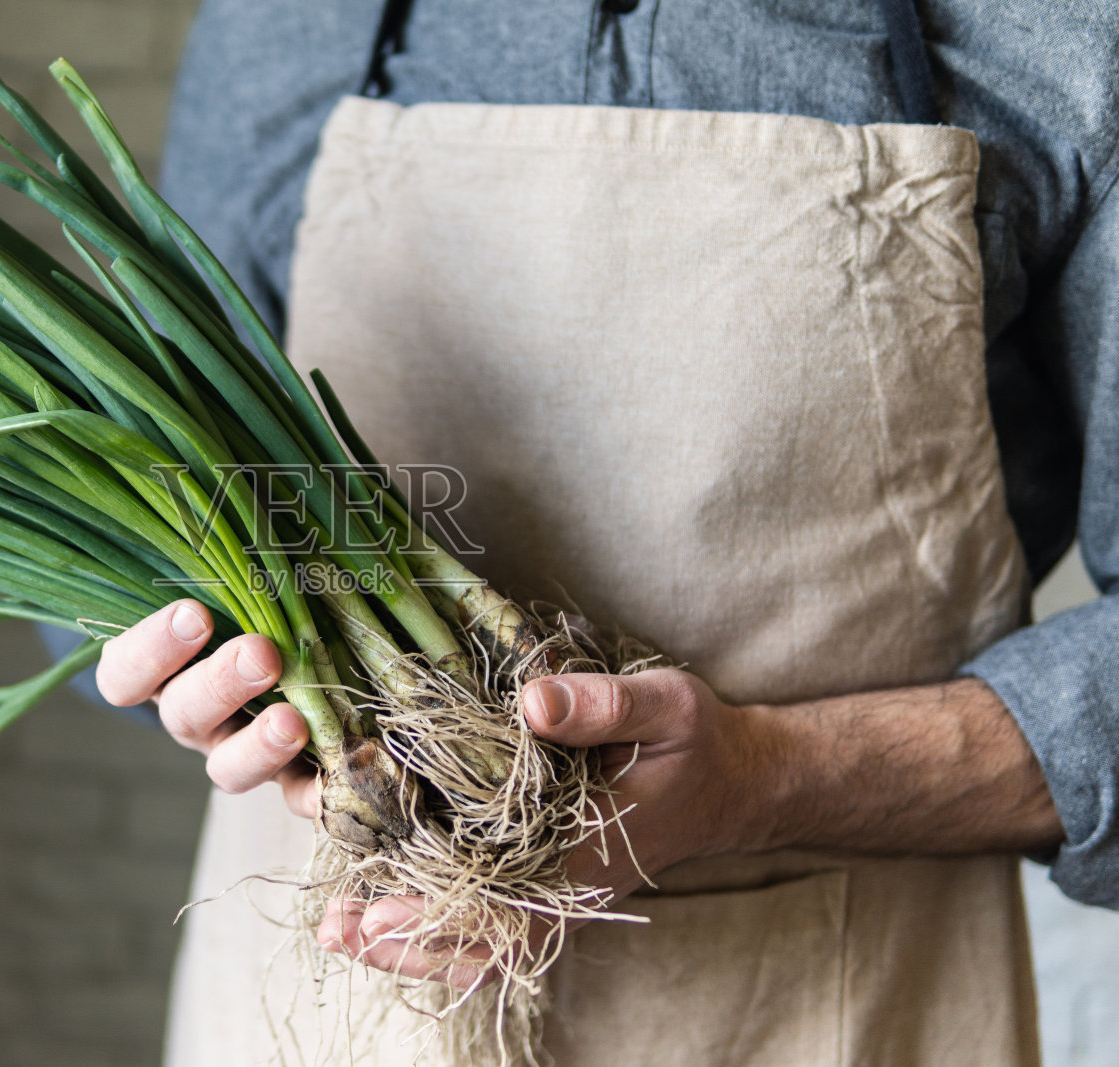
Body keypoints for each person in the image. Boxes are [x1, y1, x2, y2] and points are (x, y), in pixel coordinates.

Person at [94, 1, 1118, 1062]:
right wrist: (213, 667)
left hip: (826, 1002)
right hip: (336, 989)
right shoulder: (287, 20)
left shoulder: (1059, 28)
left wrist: (763, 779)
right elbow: (161, 482)